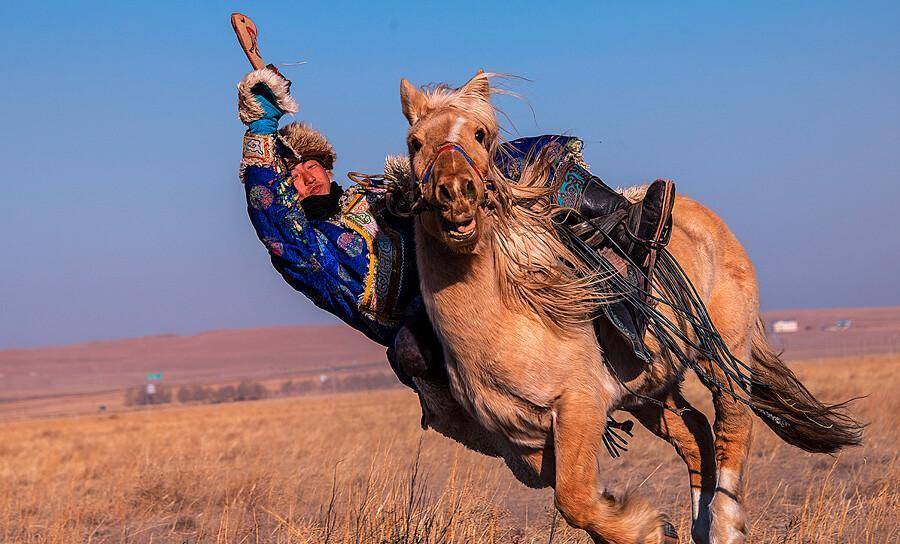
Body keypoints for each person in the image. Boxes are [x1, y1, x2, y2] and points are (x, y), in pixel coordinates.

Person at [236, 67, 674, 393]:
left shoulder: (369, 194)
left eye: (311, 166)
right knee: (410, 351)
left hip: (462, 259)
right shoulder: (306, 247)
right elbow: (270, 212)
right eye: (292, 177)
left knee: (504, 164)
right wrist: (260, 127)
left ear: (327, 167)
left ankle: (624, 223)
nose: (306, 179)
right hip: (425, 312)